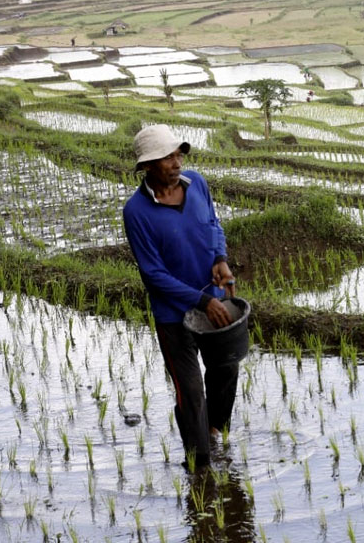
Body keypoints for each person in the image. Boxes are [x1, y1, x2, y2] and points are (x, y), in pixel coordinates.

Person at [123, 124, 237, 470]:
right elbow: (153, 275)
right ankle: (198, 465)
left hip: (211, 299)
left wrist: (220, 258)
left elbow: (213, 225)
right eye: (167, 158)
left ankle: (213, 432)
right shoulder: (136, 212)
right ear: (147, 166)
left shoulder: (196, 183)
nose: (176, 163)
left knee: (226, 368)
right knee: (190, 390)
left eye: (178, 155)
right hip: (174, 315)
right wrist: (203, 302)